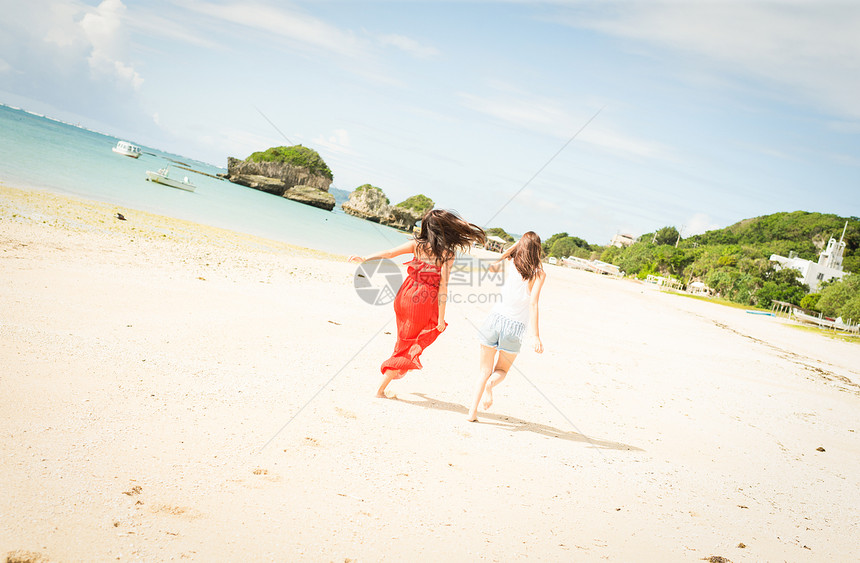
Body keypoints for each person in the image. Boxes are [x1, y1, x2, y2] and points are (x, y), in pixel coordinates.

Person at [349, 209, 486, 398]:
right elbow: (443, 287)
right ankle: (381, 388)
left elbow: (389, 253)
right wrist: (441, 318)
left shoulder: (417, 245)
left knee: (405, 340)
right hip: (422, 300)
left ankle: (399, 369)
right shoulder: (447, 254)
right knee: (411, 343)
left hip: (404, 295)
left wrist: (365, 258)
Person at [467, 231, 546, 422]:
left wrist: (515, 246)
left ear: (520, 247)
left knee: (483, 372)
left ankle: (472, 412)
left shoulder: (511, 265)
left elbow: (495, 263)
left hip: (494, 320)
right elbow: (533, 304)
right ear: (538, 250)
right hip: (515, 328)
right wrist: (536, 336)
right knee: (501, 371)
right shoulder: (539, 274)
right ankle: (490, 387)